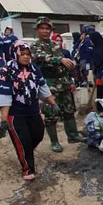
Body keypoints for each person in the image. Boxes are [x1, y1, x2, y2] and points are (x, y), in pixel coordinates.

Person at [0, 41, 59, 180]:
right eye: (22, 54)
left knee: (38, 135)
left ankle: (25, 151)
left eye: (28, 54)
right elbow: (5, 96)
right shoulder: (6, 71)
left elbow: (43, 88)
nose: (25, 57)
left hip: (33, 110)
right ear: (15, 54)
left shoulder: (34, 69)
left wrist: (53, 104)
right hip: (15, 113)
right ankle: (28, 169)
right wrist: (4, 120)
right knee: (23, 140)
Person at [32, 16, 84, 152]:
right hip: (48, 83)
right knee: (51, 113)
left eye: (47, 28)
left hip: (63, 82)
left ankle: (72, 135)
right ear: (37, 30)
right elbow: (42, 58)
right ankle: (54, 142)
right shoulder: (35, 46)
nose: (44, 31)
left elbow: (64, 66)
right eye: (42, 28)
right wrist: (60, 59)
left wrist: (70, 81)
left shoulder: (55, 45)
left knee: (68, 110)